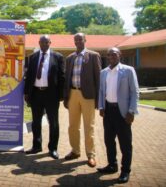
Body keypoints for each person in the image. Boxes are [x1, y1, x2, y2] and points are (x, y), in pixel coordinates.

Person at [97, 47, 139, 184]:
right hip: (108, 111)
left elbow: (134, 92)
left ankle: (125, 170)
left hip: (123, 113)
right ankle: (112, 165)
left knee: (125, 144)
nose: (111, 56)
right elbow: (101, 91)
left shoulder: (128, 70)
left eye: (114, 54)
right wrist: (101, 107)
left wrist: (131, 111)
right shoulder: (103, 72)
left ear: (119, 55)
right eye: (108, 55)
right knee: (109, 141)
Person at [63, 33, 101, 167]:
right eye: (76, 39)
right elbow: (67, 79)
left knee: (88, 126)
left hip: (88, 96)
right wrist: (66, 97)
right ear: (74, 42)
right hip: (73, 93)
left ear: (85, 40)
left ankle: (91, 155)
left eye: (80, 39)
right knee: (73, 125)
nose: (78, 41)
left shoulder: (93, 56)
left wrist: (98, 99)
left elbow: (98, 79)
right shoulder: (70, 58)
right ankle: (75, 150)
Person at [24, 35, 64, 159]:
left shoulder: (58, 57)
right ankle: (36, 146)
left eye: (46, 42)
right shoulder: (33, 57)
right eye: (42, 42)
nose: (44, 44)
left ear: (50, 43)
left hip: (51, 94)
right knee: (36, 122)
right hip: (36, 94)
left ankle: (53, 148)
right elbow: (29, 76)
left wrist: (61, 95)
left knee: (54, 123)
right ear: (39, 43)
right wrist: (26, 93)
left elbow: (62, 77)